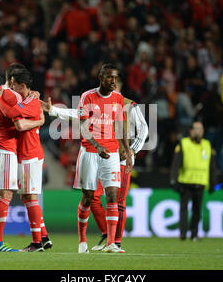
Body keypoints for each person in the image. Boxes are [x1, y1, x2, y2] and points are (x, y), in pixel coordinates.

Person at [41, 78, 149, 251]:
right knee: (93, 197)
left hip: (119, 158)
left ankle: (115, 241)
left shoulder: (130, 105)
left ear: (119, 86)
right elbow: (77, 114)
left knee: (118, 202)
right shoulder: (96, 102)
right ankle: (107, 234)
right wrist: (54, 110)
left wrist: (132, 151)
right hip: (97, 155)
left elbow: (143, 129)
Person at [0, 63, 41, 252]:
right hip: (5, 147)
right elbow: (17, 118)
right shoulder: (11, 95)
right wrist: (37, 114)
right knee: (5, 194)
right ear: (14, 81)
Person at [75, 63, 132, 253]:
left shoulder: (118, 98)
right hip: (90, 151)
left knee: (113, 196)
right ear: (100, 78)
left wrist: (127, 150)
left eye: (115, 78)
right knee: (88, 197)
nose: (113, 81)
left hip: (112, 153)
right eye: (109, 77)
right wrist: (97, 145)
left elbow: (121, 126)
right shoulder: (87, 96)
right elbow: (83, 127)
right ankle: (82, 240)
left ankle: (111, 243)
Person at [0, 68, 52, 252]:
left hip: (29, 154)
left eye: (14, 84)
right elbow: (40, 114)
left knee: (30, 197)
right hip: (27, 153)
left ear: (23, 85)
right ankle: (43, 237)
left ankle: (37, 243)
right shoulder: (31, 100)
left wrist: (39, 120)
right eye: (9, 83)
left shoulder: (30, 102)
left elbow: (20, 124)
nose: (11, 86)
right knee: (27, 197)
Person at [169, 121, 216, 241]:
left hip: (200, 182)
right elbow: (176, 163)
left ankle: (194, 234)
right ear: (191, 130)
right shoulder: (184, 143)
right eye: (197, 128)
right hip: (186, 181)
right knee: (184, 209)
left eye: (201, 129)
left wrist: (212, 183)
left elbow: (211, 166)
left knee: (197, 211)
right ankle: (183, 234)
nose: (199, 131)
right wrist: (173, 179)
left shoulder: (207, 144)